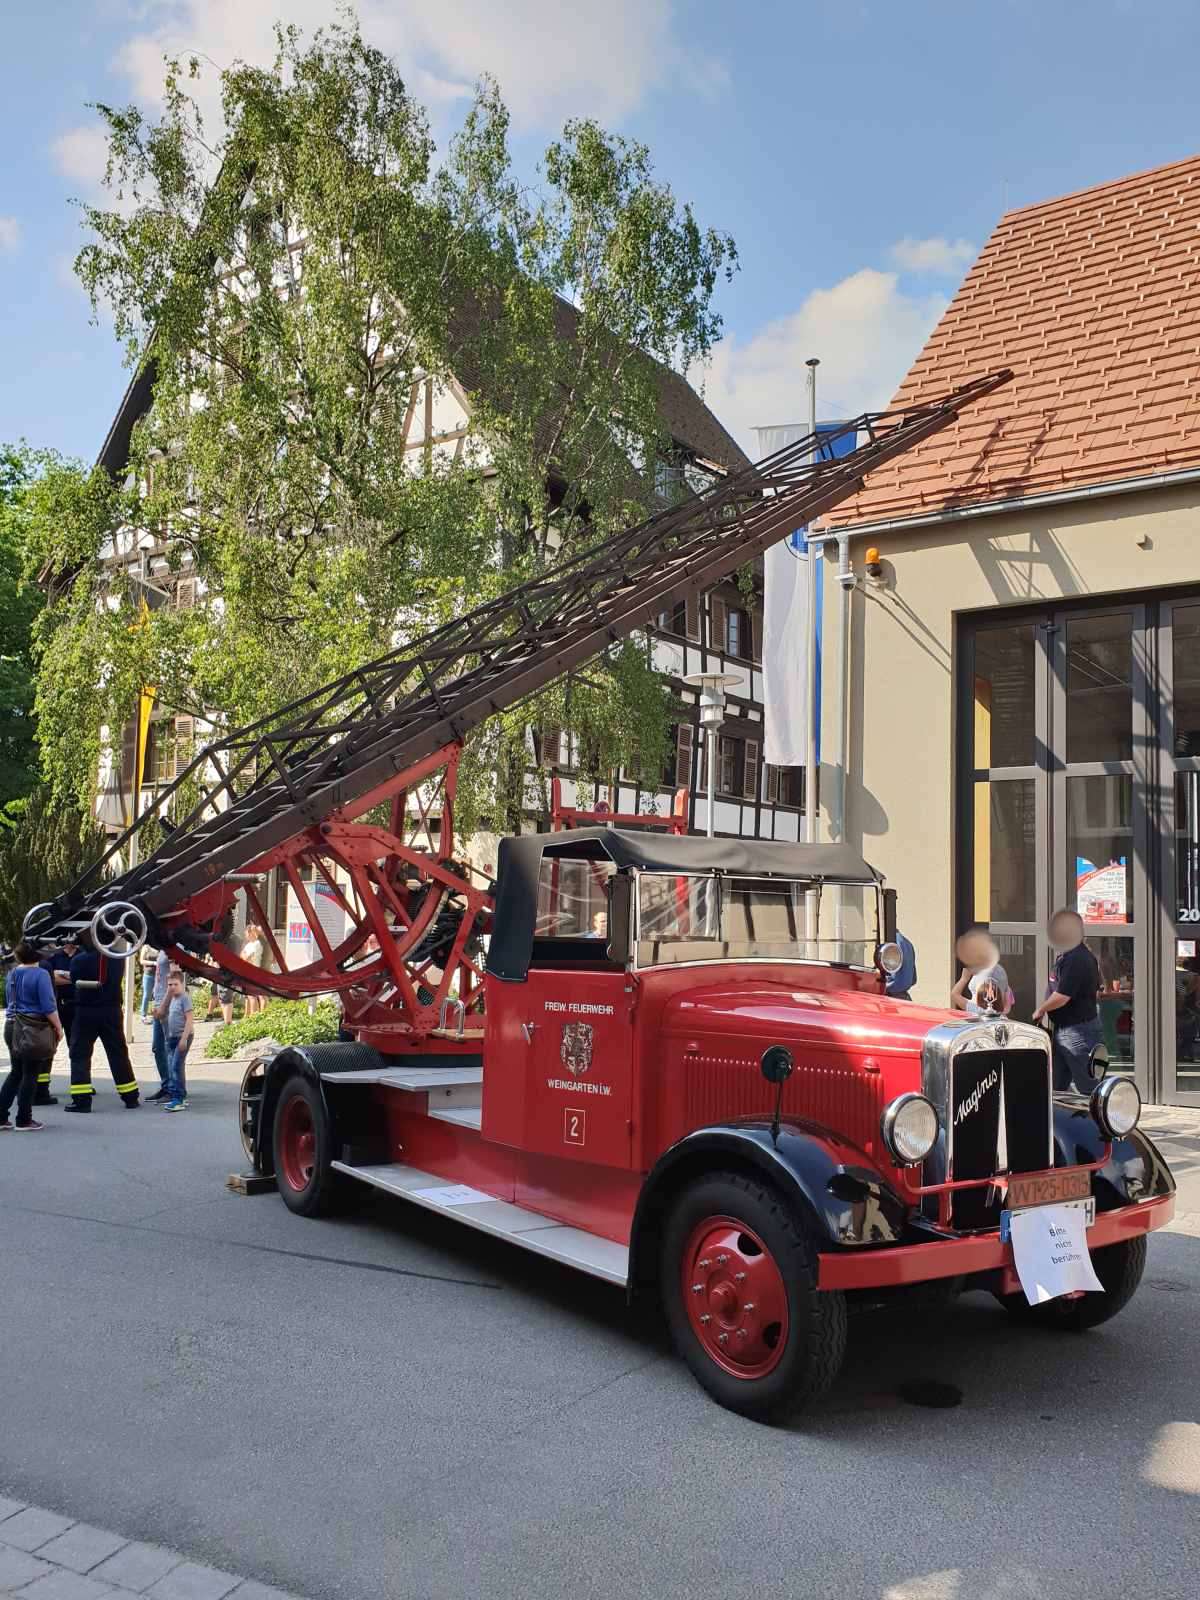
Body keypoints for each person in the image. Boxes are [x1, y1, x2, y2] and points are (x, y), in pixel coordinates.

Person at [1032, 909, 1103, 1095]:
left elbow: (1063, 996)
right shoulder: (1074, 956)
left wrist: (1041, 1009)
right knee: (1054, 1088)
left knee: (1089, 1090)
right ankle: (1053, 1124)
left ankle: (1099, 1124)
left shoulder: (1075, 959)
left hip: (1077, 1033)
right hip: (1068, 1031)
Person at [66, 945, 140, 1111]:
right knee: (118, 1053)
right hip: (111, 1011)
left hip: (86, 1011)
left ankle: (81, 1100)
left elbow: (73, 979)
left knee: (80, 1054)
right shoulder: (118, 958)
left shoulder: (78, 960)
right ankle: (130, 1097)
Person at [1, 941, 64, 1130]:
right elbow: (48, 1006)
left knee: (16, 1071)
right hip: (33, 1027)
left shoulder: (11, 974)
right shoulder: (41, 974)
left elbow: (8, 999)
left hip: (11, 1025)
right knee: (30, 1073)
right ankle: (24, 1119)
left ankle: (1, 1116)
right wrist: (58, 1028)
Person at [33, 937, 77, 1106]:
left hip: (74, 1007)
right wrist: (70, 978)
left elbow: (81, 978)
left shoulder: (81, 955)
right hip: (56, 1007)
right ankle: (42, 1086)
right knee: (49, 1048)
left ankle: (78, 1082)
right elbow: (51, 980)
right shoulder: (53, 957)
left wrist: (60, 974)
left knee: (76, 1047)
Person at [951, 928, 1012, 1016]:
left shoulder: (985, 971)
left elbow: (982, 1001)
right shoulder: (1000, 969)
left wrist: (963, 1002)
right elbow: (1007, 1006)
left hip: (982, 1020)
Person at [158, 971, 194, 1111]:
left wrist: (184, 1038)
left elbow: (189, 1019)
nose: (172, 987)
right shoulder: (173, 999)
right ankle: (181, 1096)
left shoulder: (184, 998)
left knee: (175, 1067)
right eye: (170, 985)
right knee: (177, 1067)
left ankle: (177, 1099)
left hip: (182, 1037)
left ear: (181, 984)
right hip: (173, 1037)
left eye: (175, 984)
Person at [145, 946, 174, 1103]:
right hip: (160, 1004)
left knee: (170, 1049)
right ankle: (165, 1086)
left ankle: (173, 1088)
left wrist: (163, 1005)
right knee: (158, 1047)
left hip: (168, 1006)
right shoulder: (164, 949)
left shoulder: (175, 948)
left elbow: (175, 979)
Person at [885, 930, 918, 1001]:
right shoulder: (908, 943)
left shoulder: (892, 944)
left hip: (891, 1001)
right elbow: (913, 979)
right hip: (905, 998)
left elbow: (892, 979)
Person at [139, 944, 158, 1020]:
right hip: (148, 974)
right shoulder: (146, 948)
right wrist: (153, 963)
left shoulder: (159, 948)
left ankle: (155, 1015)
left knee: (156, 995)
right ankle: (143, 1015)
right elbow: (141, 961)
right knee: (146, 995)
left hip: (158, 975)